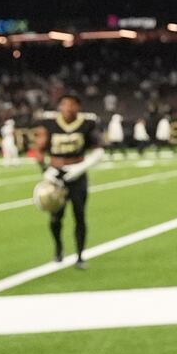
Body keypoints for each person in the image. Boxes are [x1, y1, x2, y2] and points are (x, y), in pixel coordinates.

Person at [33, 93, 105, 269]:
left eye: (72, 104)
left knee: (79, 215)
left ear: (78, 107)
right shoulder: (50, 124)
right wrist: (45, 170)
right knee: (55, 217)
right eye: (64, 104)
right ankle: (58, 249)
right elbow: (39, 149)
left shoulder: (87, 125)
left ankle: (80, 255)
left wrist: (81, 168)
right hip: (56, 175)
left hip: (77, 174)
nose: (68, 108)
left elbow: (99, 149)